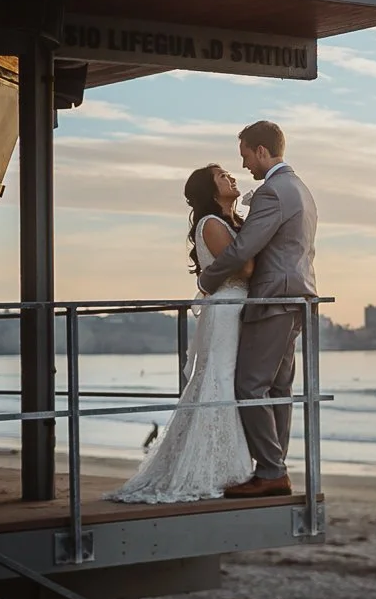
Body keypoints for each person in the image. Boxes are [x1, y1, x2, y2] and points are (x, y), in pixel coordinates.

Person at [108, 165, 253, 502]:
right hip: (225, 313)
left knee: (227, 381)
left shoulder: (234, 223)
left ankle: (228, 464)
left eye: (229, 173)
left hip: (239, 311)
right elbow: (244, 268)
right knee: (217, 380)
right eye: (221, 177)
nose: (231, 178)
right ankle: (217, 468)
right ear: (211, 191)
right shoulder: (212, 224)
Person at [197, 121, 319, 499]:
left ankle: (270, 470)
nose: (246, 165)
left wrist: (206, 281)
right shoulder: (300, 188)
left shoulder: (273, 191)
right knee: (279, 387)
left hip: (274, 296)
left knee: (250, 385)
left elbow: (244, 248)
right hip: (297, 294)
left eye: (246, 155)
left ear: (262, 150)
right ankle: (274, 467)